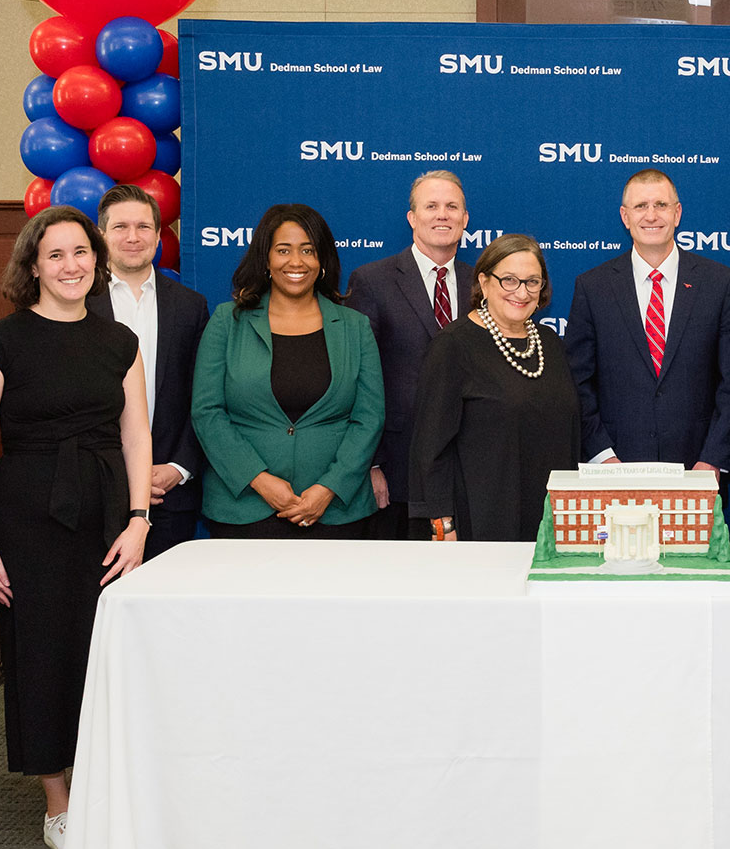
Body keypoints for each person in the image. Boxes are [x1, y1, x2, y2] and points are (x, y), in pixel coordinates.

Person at [0, 206, 152, 849]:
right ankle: (58, 803)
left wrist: (139, 521)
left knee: (105, 649)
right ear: (33, 266)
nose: (71, 265)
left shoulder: (120, 342)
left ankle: (106, 788)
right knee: (41, 651)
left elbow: (136, 438)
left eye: (80, 252)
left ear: (96, 262)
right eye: (55, 255)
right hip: (26, 515)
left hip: (107, 513)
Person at [192, 203, 383, 538]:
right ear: (266, 259)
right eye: (283, 250)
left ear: (322, 260)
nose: (296, 262)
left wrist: (328, 488)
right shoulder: (227, 321)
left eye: (308, 250)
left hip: (336, 511)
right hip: (244, 509)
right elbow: (207, 412)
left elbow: (369, 417)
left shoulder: (355, 327)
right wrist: (259, 480)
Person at [565, 169, 730, 477]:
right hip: (615, 469)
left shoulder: (719, 283)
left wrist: (712, 459)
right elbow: (577, 381)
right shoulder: (593, 287)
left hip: (698, 470)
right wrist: (602, 457)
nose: (651, 215)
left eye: (661, 205)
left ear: (677, 213)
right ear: (625, 217)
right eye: (641, 206)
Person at [410, 234, 582, 541]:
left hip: (551, 517)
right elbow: (431, 445)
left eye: (532, 282)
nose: (522, 292)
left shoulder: (551, 344)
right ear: (484, 282)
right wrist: (442, 522)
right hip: (483, 518)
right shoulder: (453, 346)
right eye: (509, 280)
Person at [347, 170, 473, 539]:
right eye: (431, 206)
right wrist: (371, 465)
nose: (442, 215)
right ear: (412, 218)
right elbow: (357, 378)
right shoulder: (372, 281)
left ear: (465, 219)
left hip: (468, 465)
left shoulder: (484, 282)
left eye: (452, 207)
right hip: (396, 468)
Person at [87, 184, 210, 559]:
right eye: (120, 227)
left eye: (143, 227)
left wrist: (179, 467)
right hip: (93, 492)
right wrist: (120, 474)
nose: (132, 237)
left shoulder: (190, 307)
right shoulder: (79, 303)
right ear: (101, 235)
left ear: (159, 236)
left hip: (169, 495)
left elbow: (205, 397)